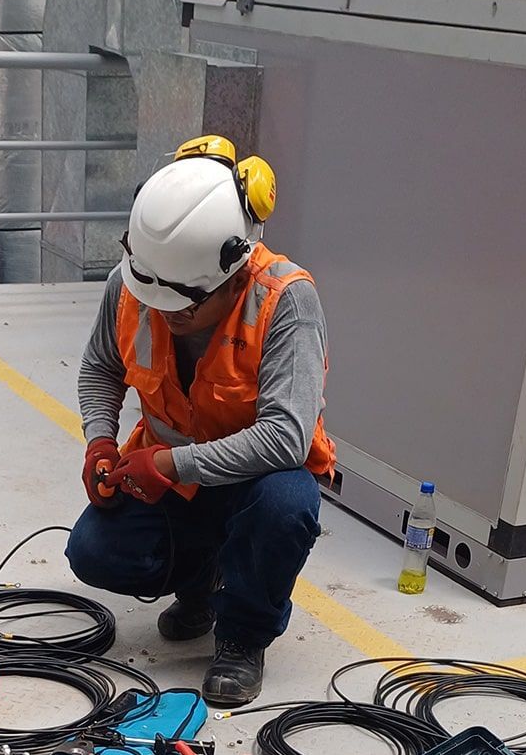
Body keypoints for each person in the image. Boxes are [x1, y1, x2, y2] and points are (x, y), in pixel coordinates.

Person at [66, 136, 335, 707]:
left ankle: (242, 634)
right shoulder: (140, 279)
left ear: (234, 277)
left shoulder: (285, 300)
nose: (164, 313)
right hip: (177, 485)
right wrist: (100, 441)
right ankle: (202, 584)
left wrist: (170, 462)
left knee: (287, 507)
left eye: (184, 308)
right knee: (94, 550)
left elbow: (285, 438)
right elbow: (100, 367)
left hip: (255, 486)